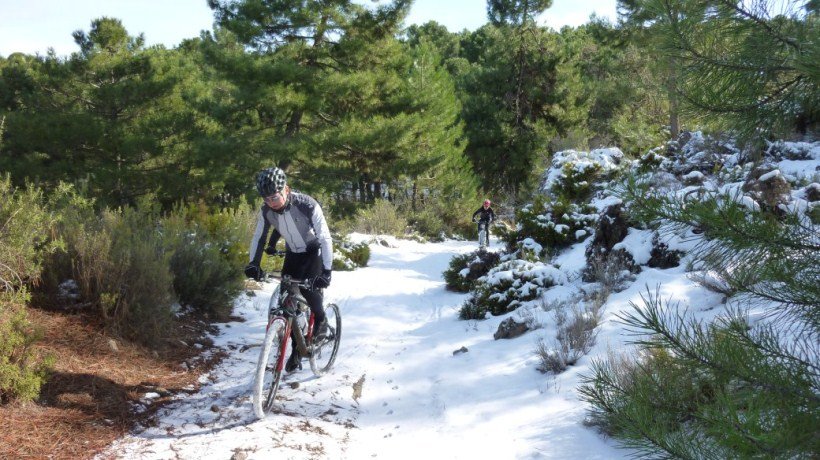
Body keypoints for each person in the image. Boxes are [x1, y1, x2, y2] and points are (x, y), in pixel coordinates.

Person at [244, 167, 333, 373]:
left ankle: (321, 318)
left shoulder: (307, 204)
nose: (271, 203)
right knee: (288, 302)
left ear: (286, 189)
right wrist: (253, 263)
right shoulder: (266, 211)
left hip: (313, 252)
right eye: (266, 199)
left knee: (310, 292)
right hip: (293, 253)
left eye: (274, 197)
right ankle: (296, 349)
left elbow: (325, 238)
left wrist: (326, 272)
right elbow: (259, 237)